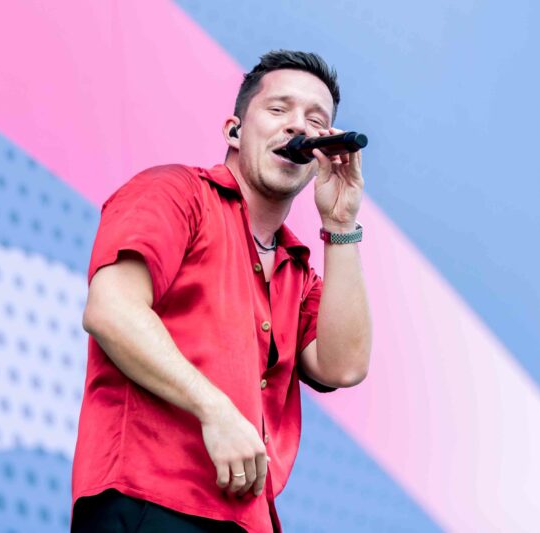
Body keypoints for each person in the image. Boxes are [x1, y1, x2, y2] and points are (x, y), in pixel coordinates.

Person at [71, 50, 373, 532]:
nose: (298, 126)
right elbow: (110, 309)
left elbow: (344, 366)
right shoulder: (176, 192)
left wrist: (341, 223)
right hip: (150, 500)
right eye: (278, 109)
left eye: (315, 121)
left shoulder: (297, 272)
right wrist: (215, 409)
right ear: (234, 131)